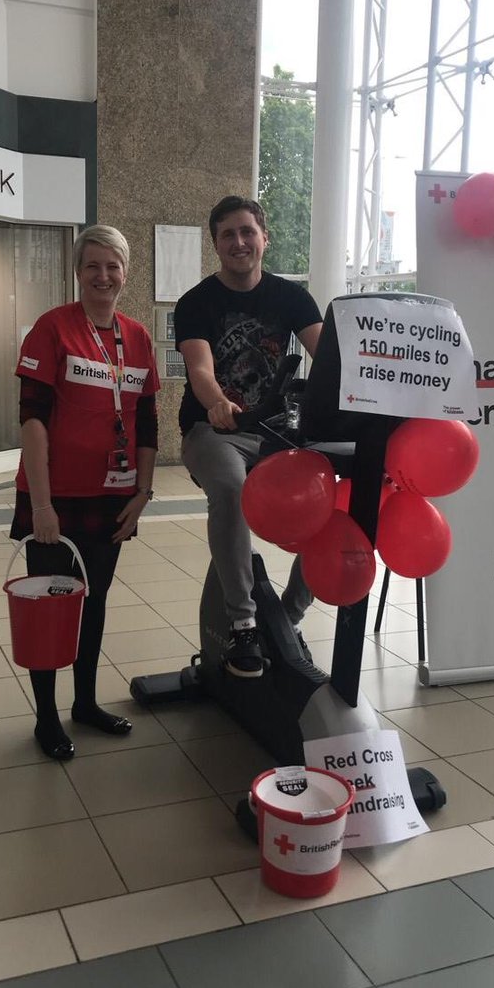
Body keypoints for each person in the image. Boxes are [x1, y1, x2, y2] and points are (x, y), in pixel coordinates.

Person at [10, 224, 160, 760]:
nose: (103, 276)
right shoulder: (51, 330)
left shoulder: (137, 337)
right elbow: (32, 422)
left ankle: (86, 704)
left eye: (112, 266)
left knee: (92, 604)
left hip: (112, 498)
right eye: (92, 265)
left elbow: (147, 421)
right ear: (78, 271)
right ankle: (46, 718)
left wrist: (143, 491)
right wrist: (43, 506)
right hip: (54, 498)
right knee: (51, 610)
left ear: (125, 272)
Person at [174, 195, 323, 679]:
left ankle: (290, 617)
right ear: (216, 244)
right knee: (231, 488)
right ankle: (242, 624)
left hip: (277, 434)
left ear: (264, 237)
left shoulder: (292, 298)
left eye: (246, 231)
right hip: (213, 431)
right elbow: (199, 367)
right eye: (227, 235)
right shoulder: (196, 303)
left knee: (330, 503)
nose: (239, 242)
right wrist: (217, 401)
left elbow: (331, 360)